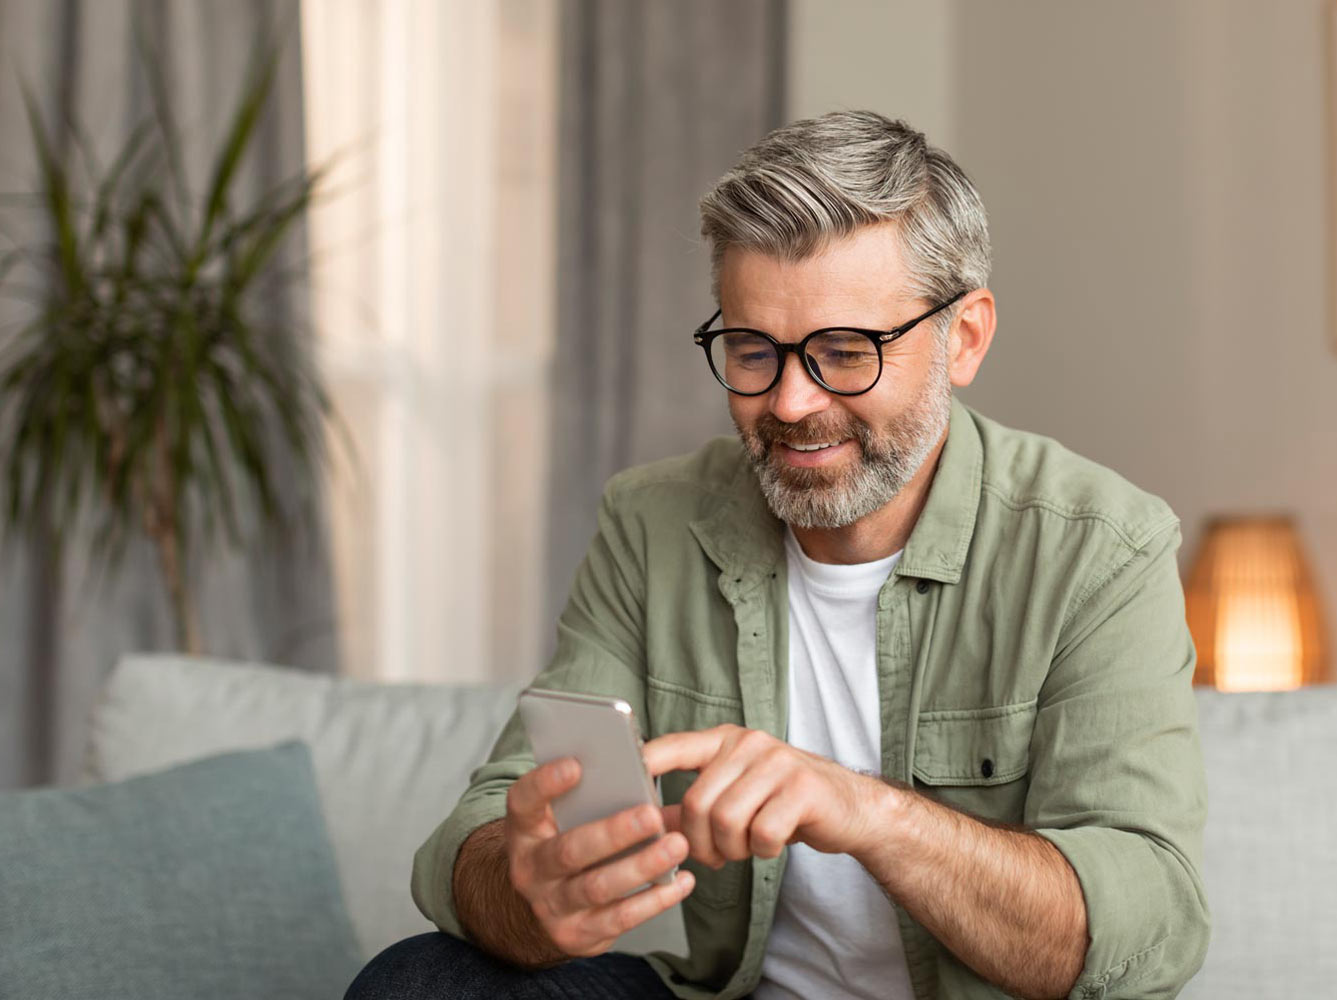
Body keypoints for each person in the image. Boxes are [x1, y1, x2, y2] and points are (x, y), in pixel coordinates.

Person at [345, 111, 1210, 1000]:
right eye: (753, 350)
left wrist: (864, 811)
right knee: (421, 980)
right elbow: (485, 828)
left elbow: (1147, 926)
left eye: (846, 352)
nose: (791, 403)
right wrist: (526, 888)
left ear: (965, 338)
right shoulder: (653, 522)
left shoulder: (1099, 549)